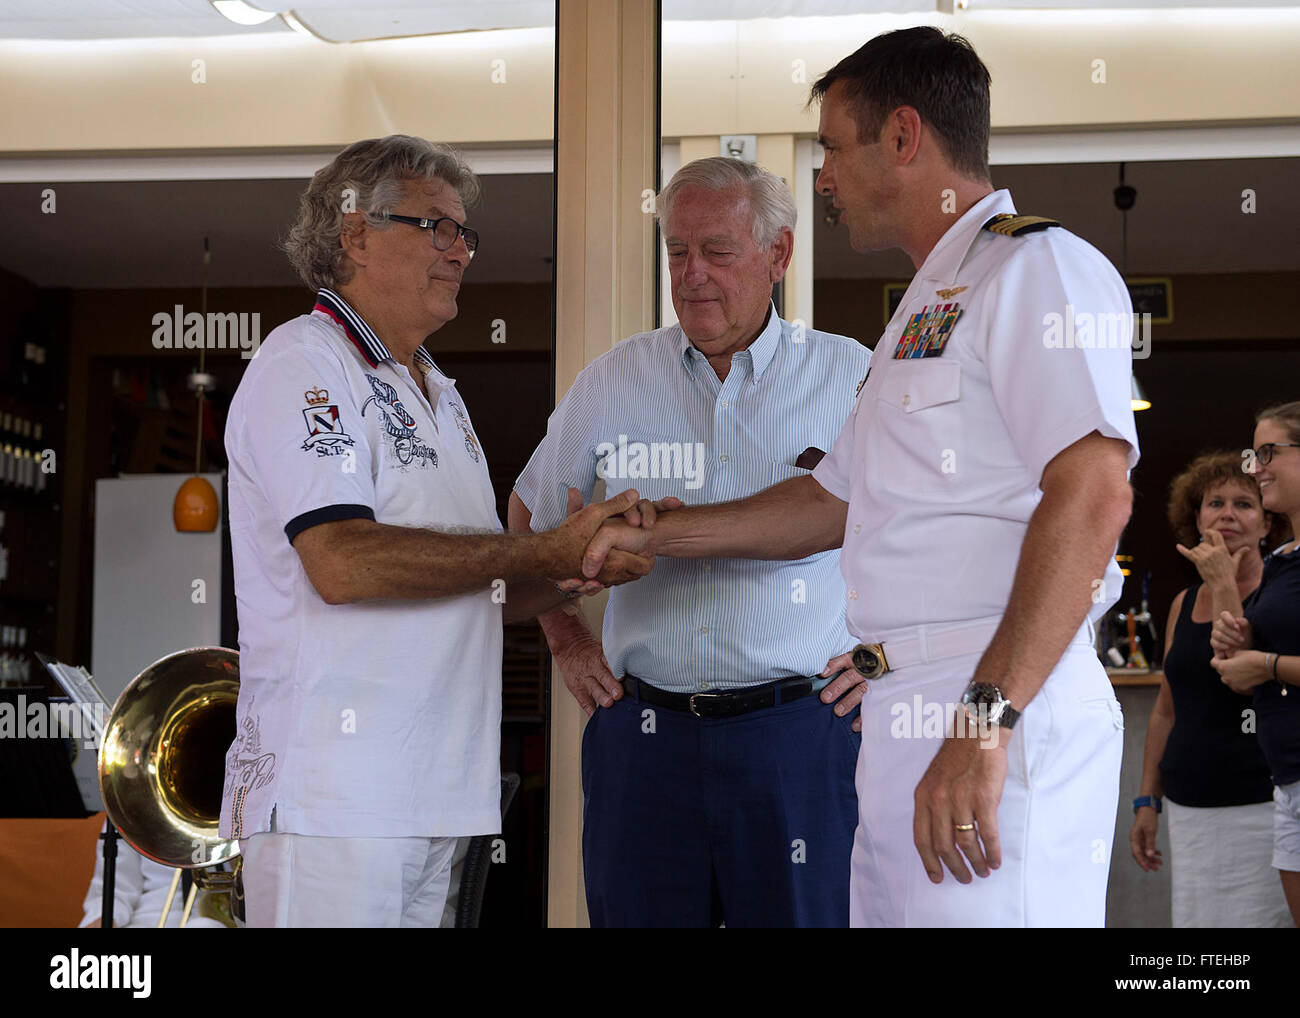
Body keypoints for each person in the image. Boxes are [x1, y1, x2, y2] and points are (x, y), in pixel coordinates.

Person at [585, 27, 1139, 927]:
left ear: (905, 136)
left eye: (835, 148)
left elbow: (1095, 493)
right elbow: (829, 502)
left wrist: (985, 717)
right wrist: (651, 535)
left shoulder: (1038, 268)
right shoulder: (921, 307)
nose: (825, 176)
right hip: (899, 714)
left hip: (988, 694)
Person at [219, 135, 651, 928]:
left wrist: (581, 564)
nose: (460, 251)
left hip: (439, 793)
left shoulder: (439, 389)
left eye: (465, 234)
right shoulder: (303, 363)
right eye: (436, 228)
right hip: (336, 800)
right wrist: (543, 548)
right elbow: (342, 560)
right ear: (353, 232)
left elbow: (476, 582)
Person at [509, 157, 870, 927]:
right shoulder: (613, 381)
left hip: (800, 738)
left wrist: (884, 658)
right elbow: (529, 519)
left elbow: (924, 536)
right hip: (645, 742)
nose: (692, 274)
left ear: (778, 256)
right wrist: (567, 640)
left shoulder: (850, 376)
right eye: (677, 252)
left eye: (717, 250)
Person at [1128, 452, 1291, 927]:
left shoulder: (1282, 596)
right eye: (1214, 503)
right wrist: (1146, 801)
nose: (1227, 514)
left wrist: (1223, 582)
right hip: (1191, 808)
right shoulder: (1183, 602)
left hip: (1262, 807)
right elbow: (1165, 711)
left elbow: (1238, 676)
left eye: (1244, 504)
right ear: (1195, 519)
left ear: (1267, 522)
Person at [1211, 401, 1300, 926]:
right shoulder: (1281, 560)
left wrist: (1265, 664)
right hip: (1287, 778)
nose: (1255, 467)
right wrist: (1238, 640)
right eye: (1254, 453)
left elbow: (1269, 669)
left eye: (1268, 452)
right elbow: (1251, 678)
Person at [79, 820, 227, 928]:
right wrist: (103, 918)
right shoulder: (128, 802)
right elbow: (117, 889)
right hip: (147, 918)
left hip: (220, 918)